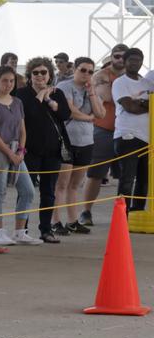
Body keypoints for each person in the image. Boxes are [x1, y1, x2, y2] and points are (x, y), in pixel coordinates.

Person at [14, 56, 71, 243]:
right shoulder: (22, 94)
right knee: (26, 191)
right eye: (35, 72)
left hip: (52, 150)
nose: (40, 76)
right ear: (29, 76)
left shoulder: (57, 93)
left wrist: (51, 101)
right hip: (29, 150)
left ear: (50, 74)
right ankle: (22, 230)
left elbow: (65, 114)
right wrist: (40, 96)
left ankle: (46, 230)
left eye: (43, 72)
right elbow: (30, 114)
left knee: (49, 192)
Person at [0, 66, 38, 245]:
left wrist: (21, 151)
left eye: (11, 81)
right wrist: (9, 153)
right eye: (5, 80)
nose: (8, 84)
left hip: (16, 150)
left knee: (28, 190)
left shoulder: (17, 102)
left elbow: (22, 130)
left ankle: (20, 231)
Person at [54, 57, 102, 234]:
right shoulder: (64, 86)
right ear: (74, 68)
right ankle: (55, 221)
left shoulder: (92, 89)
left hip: (86, 141)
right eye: (83, 70)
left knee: (75, 184)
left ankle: (72, 221)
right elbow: (70, 111)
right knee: (61, 183)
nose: (86, 74)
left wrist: (91, 93)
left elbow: (100, 113)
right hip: (67, 140)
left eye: (90, 72)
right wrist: (89, 117)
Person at [82, 44, 128, 225]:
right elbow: (110, 96)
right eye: (116, 56)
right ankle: (86, 211)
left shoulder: (134, 77)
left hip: (127, 131)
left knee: (128, 175)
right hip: (104, 130)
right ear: (111, 57)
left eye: (124, 57)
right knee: (96, 173)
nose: (120, 60)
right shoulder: (101, 76)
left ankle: (125, 212)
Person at [113, 47, 152, 213]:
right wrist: (148, 104)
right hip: (127, 136)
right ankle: (122, 215)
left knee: (145, 179)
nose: (135, 63)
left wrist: (141, 103)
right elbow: (130, 107)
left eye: (138, 60)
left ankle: (137, 212)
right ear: (125, 62)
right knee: (127, 178)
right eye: (131, 60)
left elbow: (137, 105)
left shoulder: (147, 83)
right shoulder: (120, 82)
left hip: (147, 138)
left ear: (142, 62)